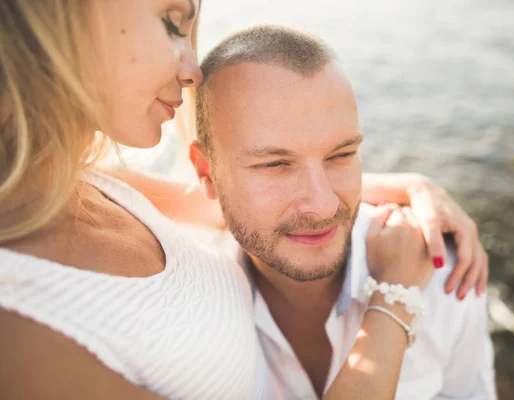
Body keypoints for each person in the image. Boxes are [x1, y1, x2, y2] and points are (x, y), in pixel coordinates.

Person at [0, 1, 486, 399]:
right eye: (171, 23)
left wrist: (413, 186)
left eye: (343, 153)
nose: (192, 68)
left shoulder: (81, 184)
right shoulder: (18, 326)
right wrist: (394, 300)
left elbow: (210, 197)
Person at [188, 25, 497, 399]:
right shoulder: (181, 300)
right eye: (274, 164)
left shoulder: (446, 279)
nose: (323, 205)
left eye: (341, 155)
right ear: (207, 172)